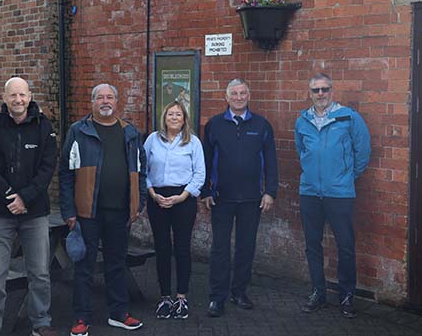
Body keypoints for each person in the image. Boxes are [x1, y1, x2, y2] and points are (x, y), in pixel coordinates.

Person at [0, 77, 59, 336]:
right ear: (5, 97)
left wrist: (26, 197)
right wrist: (11, 196)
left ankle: (41, 322)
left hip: (34, 212)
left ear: (30, 96)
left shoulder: (44, 128)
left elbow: (47, 168)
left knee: (40, 272)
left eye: (22, 95)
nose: (18, 100)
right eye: (13, 95)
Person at [60, 83, 147, 336]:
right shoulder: (78, 131)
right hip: (87, 212)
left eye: (110, 97)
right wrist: (69, 211)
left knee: (116, 264)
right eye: (100, 97)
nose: (105, 101)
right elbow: (65, 173)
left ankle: (119, 313)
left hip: (120, 212)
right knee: (84, 266)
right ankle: (81, 317)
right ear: (93, 102)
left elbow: (141, 171)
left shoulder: (130, 133)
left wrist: (138, 204)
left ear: (117, 102)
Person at [294, 73, 371, 318]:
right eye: (315, 90)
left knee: (345, 246)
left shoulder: (349, 118)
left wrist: (346, 177)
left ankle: (347, 295)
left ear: (332, 91)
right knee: (312, 246)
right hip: (309, 192)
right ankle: (318, 291)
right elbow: (302, 151)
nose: (320, 94)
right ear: (310, 93)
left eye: (324, 89)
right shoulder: (302, 121)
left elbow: (363, 152)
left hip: (339, 193)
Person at [201, 78, 278, 317]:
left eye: (242, 93)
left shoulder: (262, 125)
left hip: (251, 199)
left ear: (249, 95)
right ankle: (217, 297)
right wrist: (205, 191)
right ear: (226, 97)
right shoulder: (214, 125)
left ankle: (239, 292)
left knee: (246, 247)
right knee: (220, 248)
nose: (238, 97)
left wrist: (270, 191)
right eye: (233, 93)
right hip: (221, 198)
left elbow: (271, 161)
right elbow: (204, 160)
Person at [143, 101, 205, 319]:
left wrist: (183, 196)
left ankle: (181, 297)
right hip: (157, 198)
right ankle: (165, 298)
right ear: (164, 117)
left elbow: (199, 173)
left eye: (178, 114)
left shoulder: (193, 142)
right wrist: (151, 192)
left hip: (183, 199)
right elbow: (143, 168)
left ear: (184, 118)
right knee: (162, 247)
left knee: (181, 247)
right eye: (170, 114)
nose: (174, 117)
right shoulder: (152, 140)